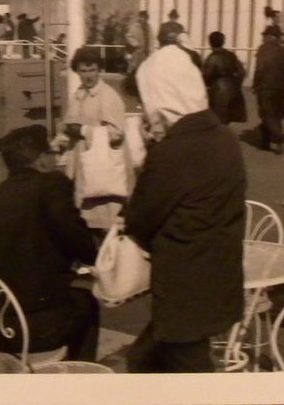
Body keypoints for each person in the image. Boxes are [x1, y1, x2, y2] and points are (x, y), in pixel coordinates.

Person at [127, 44, 246, 373]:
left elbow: (138, 219)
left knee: (187, 374)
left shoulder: (173, 152)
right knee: (143, 359)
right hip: (219, 276)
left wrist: (143, 159)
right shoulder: (224, 139)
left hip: (183, 290)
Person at [0, 124, 101, 363]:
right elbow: (76, 236)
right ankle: (82, 380)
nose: (56, 159)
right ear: (41, 160)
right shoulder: (51, 184)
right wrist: (94, 258)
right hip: (33, 327)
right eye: (52, 154)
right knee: (87, 303)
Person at [55, 46, 132, 231]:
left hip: (101, 169)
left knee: (103, 221)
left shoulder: (107, 96)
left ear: (99, 69)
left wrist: (83, 130)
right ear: (77, 71)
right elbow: (69, 126)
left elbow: (116, 133)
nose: (88, 75)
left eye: (92, 70)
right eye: (83, 70)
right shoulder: (80, 94)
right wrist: (58, 141)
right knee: (82, 218)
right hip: (79, 166)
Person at [252, 20, 284, 154]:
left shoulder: (263, 49)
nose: (262, 37)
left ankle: (278, 137)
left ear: (269, 36)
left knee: (266, 113)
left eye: (264, 35)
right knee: (274, 113)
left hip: (266, 86)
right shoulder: (283, 51)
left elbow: (260, 69)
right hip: (280, 87)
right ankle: (265, 141)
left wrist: (255, 84)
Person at [202, 31, 248, 125]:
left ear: (210, 42)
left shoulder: (212, 58)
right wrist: (237, 84)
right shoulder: (231, 55)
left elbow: (207, 76)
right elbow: (242, 72)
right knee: (227, 119)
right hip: (232, 88)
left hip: (218, 90)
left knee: (218, 120)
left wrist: (207, 86)